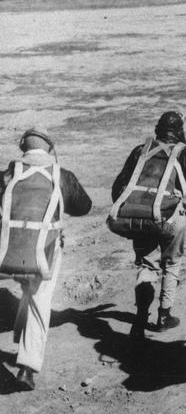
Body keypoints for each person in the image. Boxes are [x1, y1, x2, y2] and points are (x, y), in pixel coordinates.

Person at [0, 128, 92, 391]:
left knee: (27, 289)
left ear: (23, 148)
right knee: (40, 301)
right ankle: (27, 367)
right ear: (49, 148)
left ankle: (20, 337)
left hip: (7, 252)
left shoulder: (8, 175)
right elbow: (84, 206)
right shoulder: (62, 176)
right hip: (44, 253)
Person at [110, 111, 186, 340]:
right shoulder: (185, 155)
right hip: (169, 219)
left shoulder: (141, 150)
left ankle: (140, 316)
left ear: (159, 128)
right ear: (180, 131)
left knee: (147, 266)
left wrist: (132, 212)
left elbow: (119, 186)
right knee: (172, 263)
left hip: (142, 217)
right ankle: (164, 316)